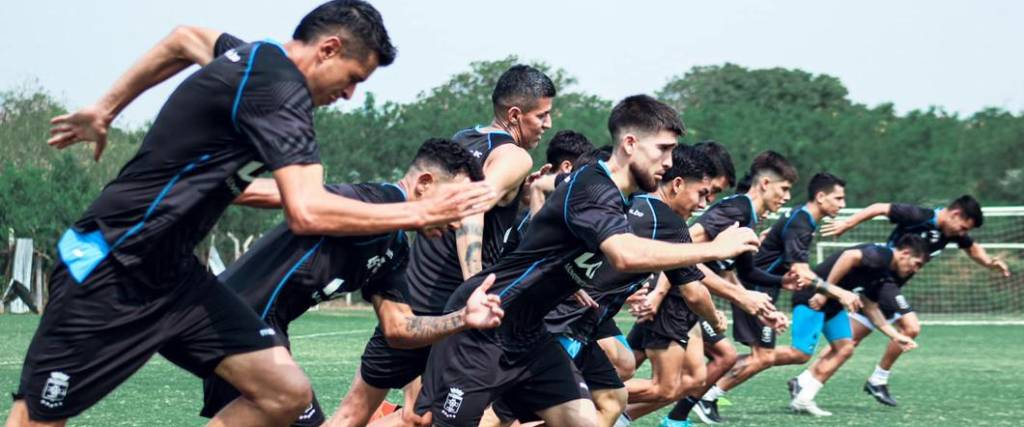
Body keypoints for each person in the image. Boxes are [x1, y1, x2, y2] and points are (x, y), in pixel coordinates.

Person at [12, 2, 493, 426]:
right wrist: (419, 212)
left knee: (284, 393)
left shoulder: (258, 61)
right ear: (327, 49)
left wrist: (105, 109)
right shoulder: (283, 94)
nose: (349, 96)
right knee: (37, 418)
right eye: (353, 79)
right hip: (111, 260)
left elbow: (185, 39)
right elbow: (306, 210)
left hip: (176, 276)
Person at [413, 95, 762, 427]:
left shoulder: (621, 196)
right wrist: (716, 249)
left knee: (588, 416)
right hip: (486, 326)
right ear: (629, 144)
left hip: (531, 334)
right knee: (422, 421)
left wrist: (567, 277)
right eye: (663, 150)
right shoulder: (594, 187)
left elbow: (547, 190)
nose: (669, 162)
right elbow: (625, 254)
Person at [199, 138, 506, 426]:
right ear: (425, 184)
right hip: (235, 317)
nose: (457, 221)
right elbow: (295, 197)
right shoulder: (376, 200)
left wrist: (463, 319)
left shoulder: (395, 247)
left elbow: (399, 330)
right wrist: (205, 186)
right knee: (292, 399)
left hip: (260, 327)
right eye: (456, 201)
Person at [331, 65, 557, 427]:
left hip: (412, 298)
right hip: (454, 311)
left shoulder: (462, 139)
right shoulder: (515, 156)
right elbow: (472, 208)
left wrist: (520, 194)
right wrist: (475, 288)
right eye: (542, 115)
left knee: (375, 413)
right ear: (515, 115)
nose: (547, 124)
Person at [818, 194, 1011, 406]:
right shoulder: (920, 216)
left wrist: (989, 263)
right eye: (964, 227)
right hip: (885, 281)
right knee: (910, 327)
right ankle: (878, 380)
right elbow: (879, 207)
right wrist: (847, 223)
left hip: (887, 285)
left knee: (850, 339)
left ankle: (806, 379)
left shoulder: (951, 232)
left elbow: (972, 248)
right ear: (956, 214)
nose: (963, 233)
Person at [661, 151, 802, 425]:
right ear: (764, 184)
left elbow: (739, 271)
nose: (786, 197)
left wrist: (774, 288)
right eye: (783, 189)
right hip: (677, 295)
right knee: (663, 383)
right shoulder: (736, 209)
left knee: (712, 364)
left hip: (689, 297)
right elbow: (679, 247)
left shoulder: (748, 217)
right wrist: (657, 292)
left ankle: (674, 419)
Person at [703, 173, 846, 422]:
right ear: (821, 197)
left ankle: (703, 389)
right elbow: (801, 271)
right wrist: (838, 291)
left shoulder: (804, 220)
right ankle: (704, 395)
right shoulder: (801, 221)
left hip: (761, 286)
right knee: (764, 356)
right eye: (839, 198)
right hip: (755, 289)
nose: (842, 204)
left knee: (780, 355)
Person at [773, 235, 928, 416]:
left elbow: (870, 306)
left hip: (833, 305)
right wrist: (824, 290)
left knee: (845, 348)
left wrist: (895, 335)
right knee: (799, 354)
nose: (915, 270)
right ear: (905, 253)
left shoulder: (885, 274)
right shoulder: (882, 255)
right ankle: (756, 359)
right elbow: (849, 256)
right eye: (916, 263)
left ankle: (803, 399)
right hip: (812, 296)